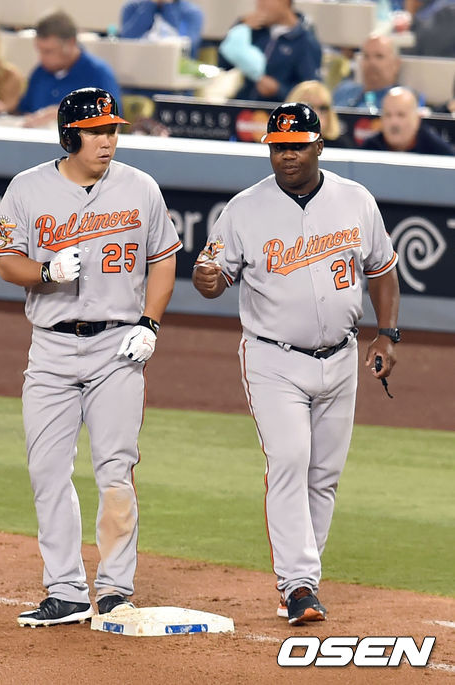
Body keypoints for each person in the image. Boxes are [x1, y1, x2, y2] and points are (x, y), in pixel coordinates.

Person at [192, 102, 400, 625]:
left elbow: (382, 270)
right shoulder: (244, 209)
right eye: (279, 146)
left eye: (298, 145)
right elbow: (214, 277)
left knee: (324, 475)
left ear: (319, 146)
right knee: (288, 461)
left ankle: (304, 579)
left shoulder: (355, 200)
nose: (287, 155)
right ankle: (299, 585)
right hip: (273, 358)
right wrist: (206, 280)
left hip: (342, 356)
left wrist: (387, 334)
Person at [0, 87, 182, 627]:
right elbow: (6, 262)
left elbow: (164, 259)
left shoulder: (140, 187)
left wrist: (150, 323)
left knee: (115, 469)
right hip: (50, 347)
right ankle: (67, 590)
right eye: (96, 132)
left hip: (117, 347)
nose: (107, 141)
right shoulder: (28, 188)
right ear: (70, 137)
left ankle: (115, 589)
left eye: (112, 130)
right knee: (47, 470)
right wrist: (46, 272)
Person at [17, 11, 122, 129]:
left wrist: (68, 115)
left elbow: (113, 125)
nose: (41, 58)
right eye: (39, 51)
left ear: (71, 43)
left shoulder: (99, 74)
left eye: (48, 51)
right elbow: (24, 113)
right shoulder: (39, 73)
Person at [217, 0, 322, 103]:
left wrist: (278, 90)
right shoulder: (255, 29)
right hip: (242, 105)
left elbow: (312, 91)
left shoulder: (305, 41)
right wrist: (241, 26)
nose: (260, 4)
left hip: (278, 110)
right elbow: (223, 64)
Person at [333, 33, 424, 109]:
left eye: (379, 56)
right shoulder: (343, 91)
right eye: (366, 56)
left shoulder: (404, 99)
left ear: (396, 64)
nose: (371, 62)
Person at [361, 86, 454, 154]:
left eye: (401, 115)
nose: (393, 122)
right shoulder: (369, 150)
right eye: (388, 115)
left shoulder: (439, 153)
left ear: (417, 119)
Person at [120, 0, 204, 59]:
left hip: (177, 70)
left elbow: (187, 48)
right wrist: (149, 6)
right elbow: (126, 41)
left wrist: (168, 7)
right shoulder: (132, 7)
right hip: (137, 66)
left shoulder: (192, 12)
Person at [286, 80, 356, 148]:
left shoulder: (342, 147)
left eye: (323, 108)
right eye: (308, 107)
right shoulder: (281, 145)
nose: (316, 114)